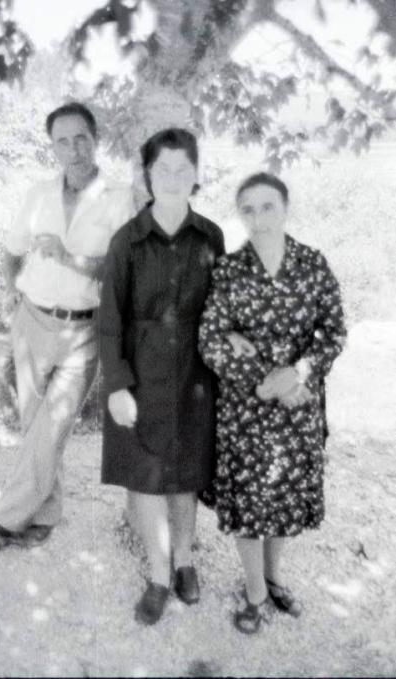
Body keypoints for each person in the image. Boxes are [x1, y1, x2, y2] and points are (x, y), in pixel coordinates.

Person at [198, 172, 346, 635]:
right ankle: (254, 591)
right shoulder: (228, 271)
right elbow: (210, 339)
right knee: (249, 500)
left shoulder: (312, 264)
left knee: (285, 495)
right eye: (248, 209)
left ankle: (274, 576)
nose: (258, 218)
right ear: (239, 214)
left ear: (285, 208)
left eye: (267, 207)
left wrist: (298, 373)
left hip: (299, 403)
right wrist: (262, 383)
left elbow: (333, 331)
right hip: (246, 407)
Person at [0, 102, 134, 550]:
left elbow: (121, 270)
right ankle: (47, 514)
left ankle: (7, 518)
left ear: (96, 139)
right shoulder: (38, 194)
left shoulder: (120, 198)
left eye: (81, 138)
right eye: (63, 141)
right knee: (37, 427)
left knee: (52, 426)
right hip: (31, 322)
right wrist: (14, 294)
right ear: (52, 147)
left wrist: (69, 258)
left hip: (83, 331)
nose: (74, 149)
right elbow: (12, 250)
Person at [99, 128, 224, 625]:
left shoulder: (211, 236)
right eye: (162, 169)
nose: (172, 178)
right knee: (147, 475)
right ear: (147, 175)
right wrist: (116, 385)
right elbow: (109, 320)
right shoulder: (126, 240)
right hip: (141, 373)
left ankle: (186, 561)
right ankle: (157, 573)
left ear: (195, 174)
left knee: (186, 473)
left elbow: (221, 310)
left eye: (182, 169)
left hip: (195, 375)